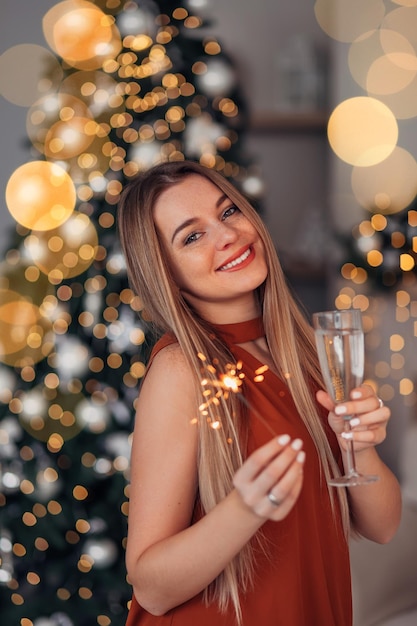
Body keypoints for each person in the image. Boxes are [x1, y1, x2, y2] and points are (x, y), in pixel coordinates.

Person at [117, 160, 401, 626]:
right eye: (191, 236)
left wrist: (362, 451)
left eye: (228, 212)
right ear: (166, 273)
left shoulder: (306, 351)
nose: (226, 235)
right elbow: (150, 586)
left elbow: (384, 527)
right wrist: (244, 509)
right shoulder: (182, 370)